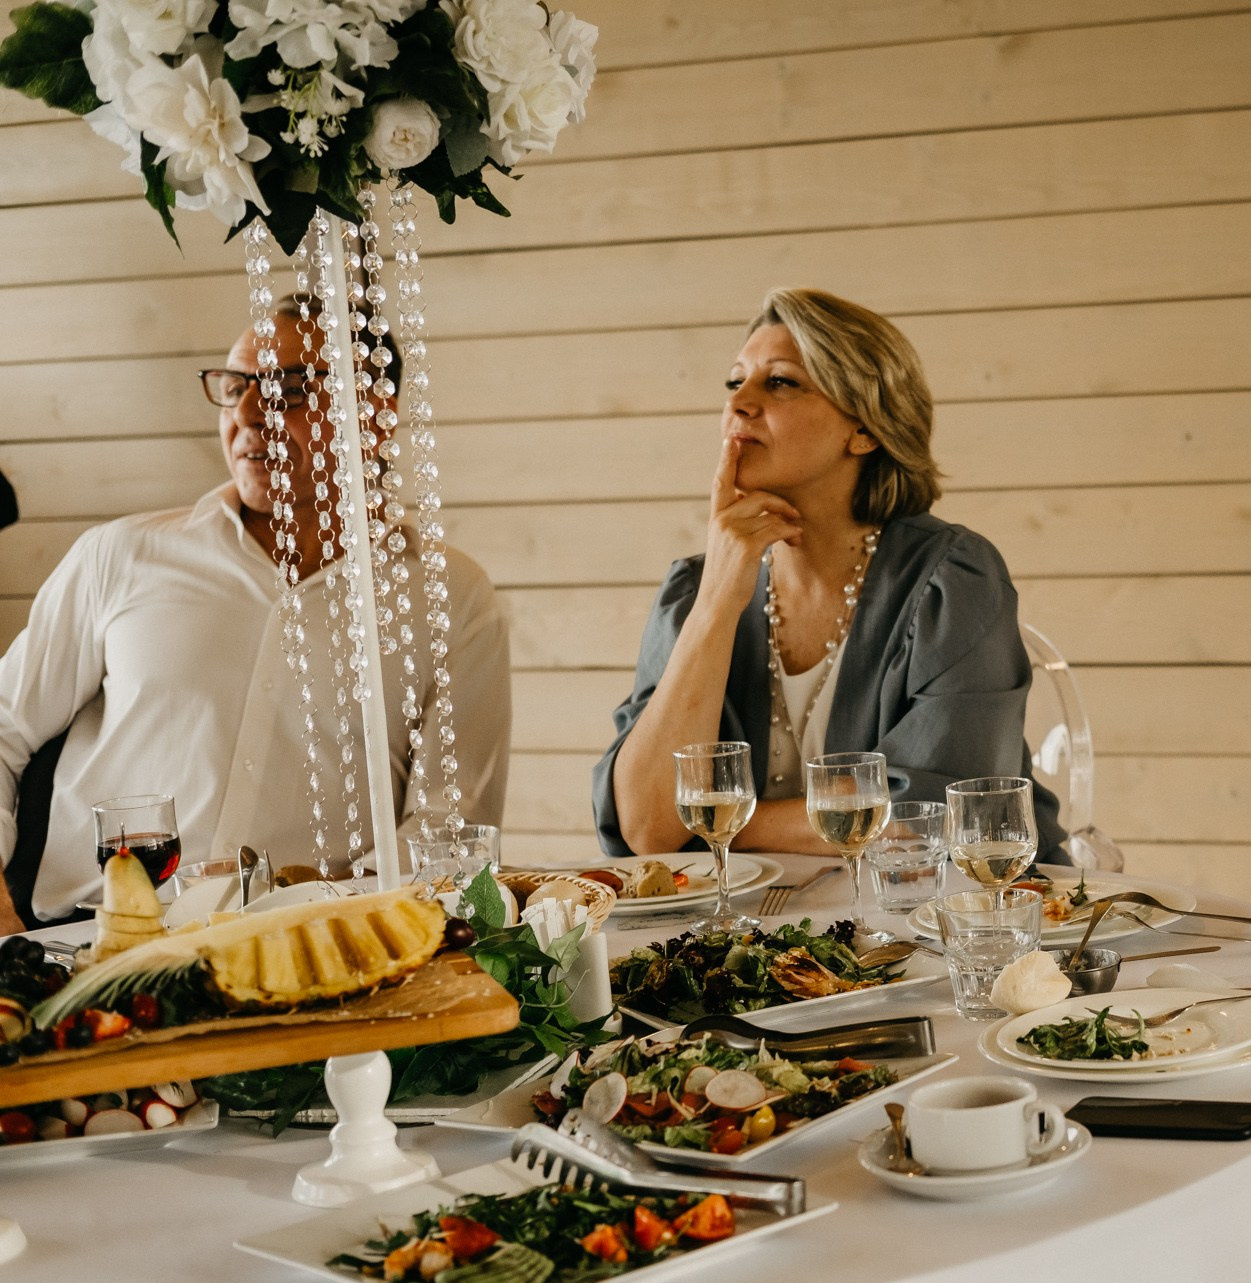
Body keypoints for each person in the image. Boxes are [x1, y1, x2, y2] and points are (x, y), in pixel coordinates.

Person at [0, 298, 511, 932]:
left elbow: (446, 828)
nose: (245, 415)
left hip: (318, 957)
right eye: (237, 386)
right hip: (87, 947)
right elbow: (3, 729)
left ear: (374, 417)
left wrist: (338, 927)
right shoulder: (119, 556)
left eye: (289, 391)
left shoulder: (450, 595)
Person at [594, 287, 1063, 861]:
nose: (739, 403)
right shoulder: (694, 589)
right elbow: (646, 827)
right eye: (734, 382)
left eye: (781, 381)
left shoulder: (954, 579)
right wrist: (718, 601)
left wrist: (713, 825)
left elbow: (937, 818)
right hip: (752, 942)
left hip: (956, 931)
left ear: (864, 428)